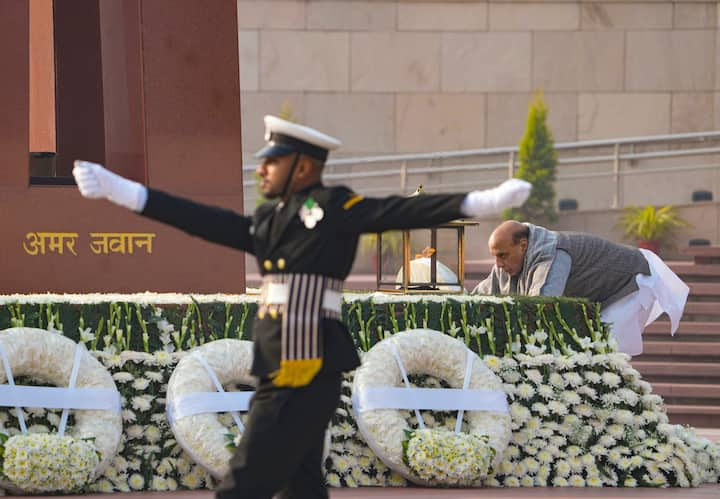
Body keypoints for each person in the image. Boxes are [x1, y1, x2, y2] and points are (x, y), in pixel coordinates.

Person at [72, 115, 531, 499]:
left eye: (272, 162)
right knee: (303, 484)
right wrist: (127, 193)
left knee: (247, 479)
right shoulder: (271, 217)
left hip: (305, 364)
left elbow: (393, 211)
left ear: (304, 167)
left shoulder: (332, 206)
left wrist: (479, 201)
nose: (261, 171)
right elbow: (207, 222)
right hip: (278, 362)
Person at [472, 220, 689, 356]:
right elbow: (483, 291)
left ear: (523, 246)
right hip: (607, 290)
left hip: (633, 279)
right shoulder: (512, 258)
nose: (498, 264)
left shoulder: (554, 255)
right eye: (495, 257)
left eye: (502, 256)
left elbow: (542, 305)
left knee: (606, 351)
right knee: (593, 351)